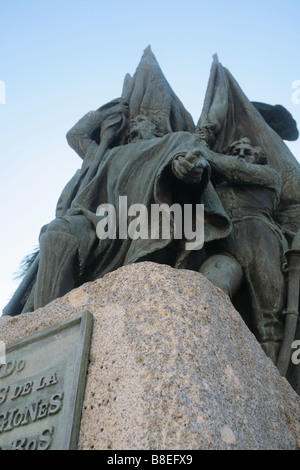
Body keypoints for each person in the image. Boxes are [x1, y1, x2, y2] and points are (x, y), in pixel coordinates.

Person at [197, 134, 288, 363]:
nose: (239, 155)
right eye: (234, 151)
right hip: (225, 243)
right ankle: (208, 359)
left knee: (270, 319)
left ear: (258, 159)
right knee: (209, 289)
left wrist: (201, 148)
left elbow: (236, 169)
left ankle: (276, 385)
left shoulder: (270, 176)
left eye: (246, 152)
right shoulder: (216, 185)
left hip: (262, 240)